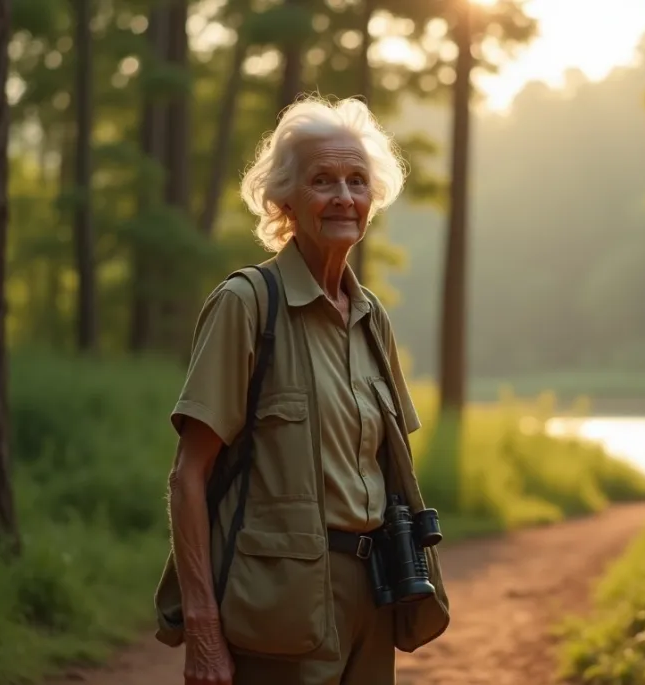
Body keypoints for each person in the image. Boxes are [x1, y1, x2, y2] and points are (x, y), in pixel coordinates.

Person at [153, 96, 450, 685]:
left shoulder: (372, 319)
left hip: (374, 595)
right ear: (285, 200)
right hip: (276, 603)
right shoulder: (246, 304)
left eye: (357, 181)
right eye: (323, 180)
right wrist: (204, 628)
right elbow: (188, 475)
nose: (343, 195)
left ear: (372, 199)